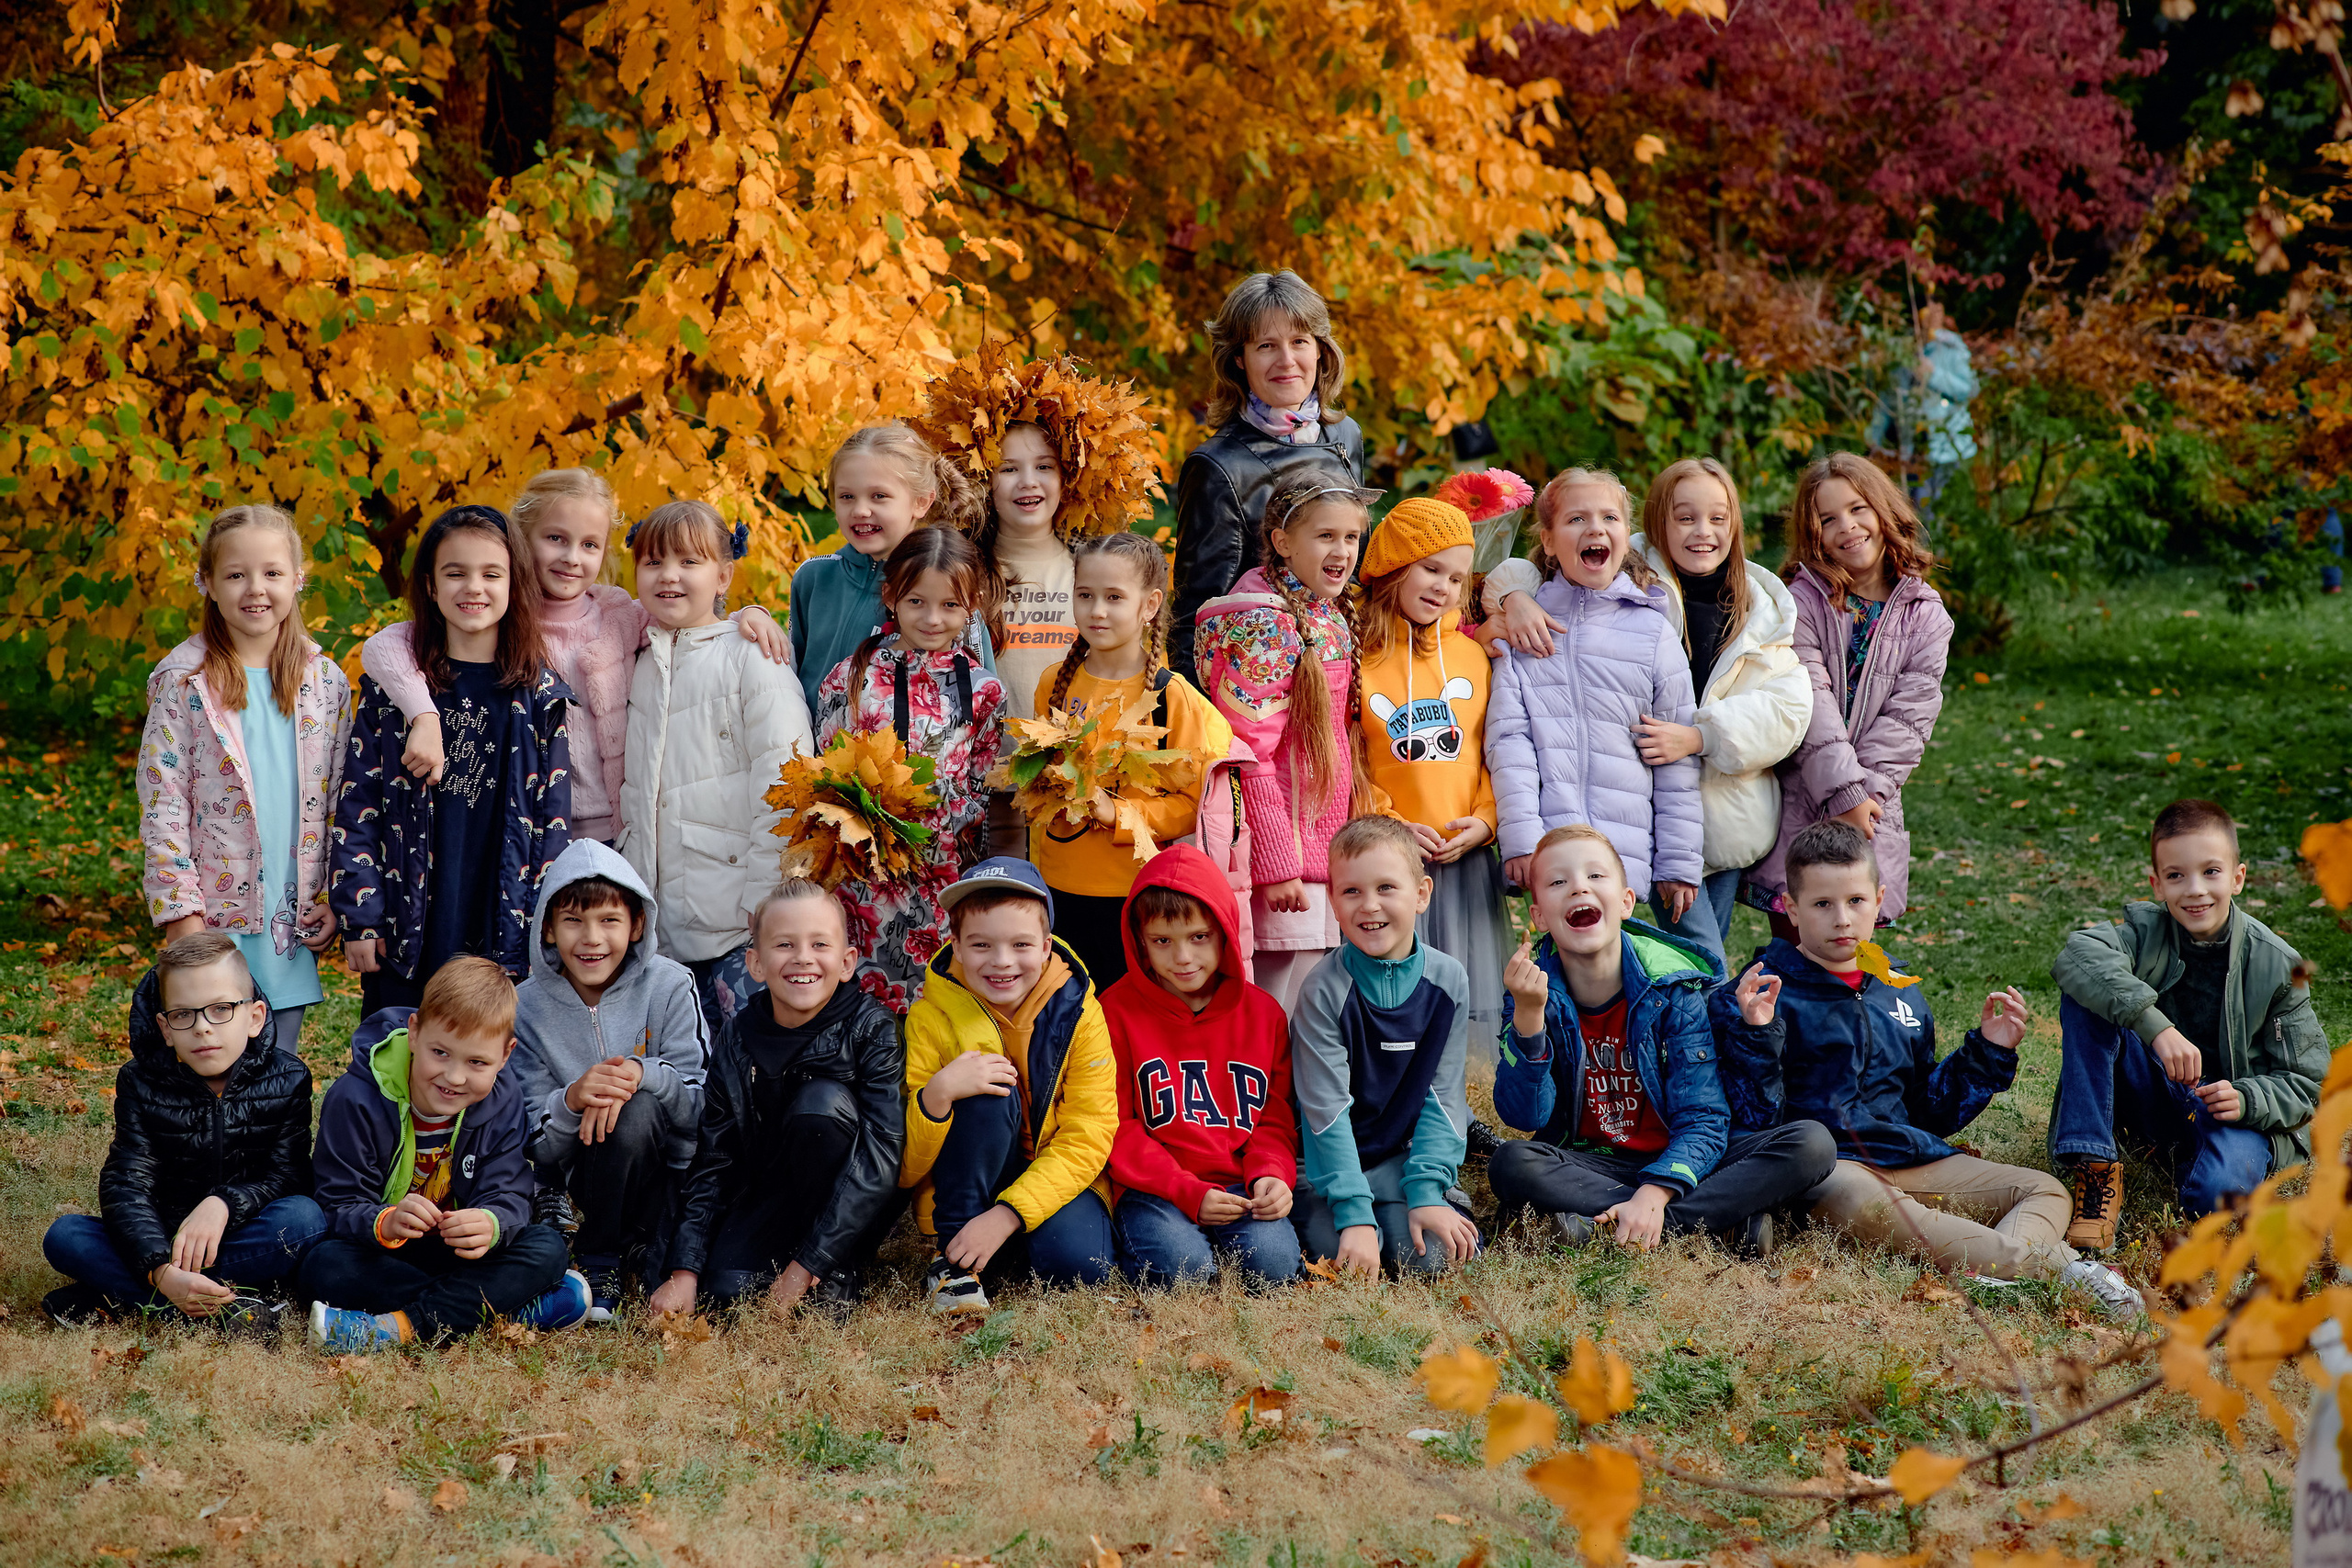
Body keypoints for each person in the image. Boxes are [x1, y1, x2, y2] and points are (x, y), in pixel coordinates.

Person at [1712, 821, 2143, 1320]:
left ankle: (1997, 1280)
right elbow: (1754, 1120)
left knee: (2043, 1189)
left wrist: (1985, 1053)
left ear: (1879, 899)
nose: (1842, 920)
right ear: (1790, 907)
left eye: (1855, 901)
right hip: (1829, 1172)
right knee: (1867, 1207)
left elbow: (1926, 1112)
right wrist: (1755, 1034)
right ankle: (2065, 1271)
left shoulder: (1899, 991)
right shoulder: (1758, 994)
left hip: (1907, 1157)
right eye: (1822, 904)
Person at [361, 468, 788, 850]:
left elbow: (685, 618)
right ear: (521, 541)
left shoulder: (618, 614)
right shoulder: (500, 616)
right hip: (530, 826)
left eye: (589, 545)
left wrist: (746, 615)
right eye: (555, 539)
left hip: (618, 828)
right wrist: (424, 715)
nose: (571, 558)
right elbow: (383, 647)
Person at [1486, 826, 1832, 1254]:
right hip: (1593, 1161)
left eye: (1596, 876)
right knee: (1512, 1163)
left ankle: (1615, 1222)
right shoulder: (1531, 992)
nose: (1578, 887)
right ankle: (1712, 1223)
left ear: (1627, 902)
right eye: (1559, 882)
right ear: (1539, 916)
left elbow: (1703, 1117)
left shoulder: (1673, 990)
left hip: (1682, 1154)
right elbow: (1523, 1114)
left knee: (1811, 1144)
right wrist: (1528, 1018)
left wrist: (1657, 1190)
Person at [2048, 799, 2327, 1251]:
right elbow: (2078, 955)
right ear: (2157, 884)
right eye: (2177, 875)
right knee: (2089, 994)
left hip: (2231, 1111)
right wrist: (2156, 1027)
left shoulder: (2277, 964)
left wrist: (2246, 1097)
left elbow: (2307, 1081)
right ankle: (2095, 1168)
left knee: (2212, 1198)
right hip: (2158, 1088)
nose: (2195, 890)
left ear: (2238, 877)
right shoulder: (2145, 932)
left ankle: (2198, 1158)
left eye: (2211, 872)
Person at [331, 505, 572, 1012]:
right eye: (455, 573)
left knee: (488, 1069)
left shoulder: (540, 695)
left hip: (502, 920)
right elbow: (358, 803)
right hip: (406, 924)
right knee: (399, 1061)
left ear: (515, 584)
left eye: (491, 574)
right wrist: (363, 913)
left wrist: (543, 920)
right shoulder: (395, 691)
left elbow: (554, 822)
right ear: (431, 584)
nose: (473, 588)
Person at [139, 503, 352, 1049]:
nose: (255, 588)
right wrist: (180, 912)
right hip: (214, 908)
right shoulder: (184, 681)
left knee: (277, 1058)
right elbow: (163, 803)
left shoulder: (324, 681)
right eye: (235, 574)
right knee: (210, 1052)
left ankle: (267, 1139)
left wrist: (335, 895)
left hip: (289, 910)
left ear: (298, 578)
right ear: (207, 582)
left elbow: (343, 799)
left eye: (272, 573)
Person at [1585, 458, 1809, 966]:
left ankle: (1686, 1040)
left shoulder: (1761, 609)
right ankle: (1720, 1039)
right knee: (1704, 957)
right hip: (1654, 809)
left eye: (1718, 518)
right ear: (1659, 521)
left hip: (1729, 814)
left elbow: (1788, 710)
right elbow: (1532, 566)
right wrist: (1512, 597)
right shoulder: (1621, 581)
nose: (1703, 532)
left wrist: (1700, 736)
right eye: (1685, 518)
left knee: (1699, 952)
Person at [649, 882, 908, 1318]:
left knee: (819, 1106)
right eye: (785, 944)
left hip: (848, 1204)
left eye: (819, 944)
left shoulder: (872, 1029)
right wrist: (684, 1270)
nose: (803, 957)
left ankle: (832, 1270)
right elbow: (715, 1159)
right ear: (755, 963)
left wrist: (806, 1267)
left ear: (846, 963)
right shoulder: (736, 1038)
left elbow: (881, 1157)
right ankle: (776, 1258)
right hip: (769, 1193)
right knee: (725, 1293)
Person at [301, 957, 587, 1349]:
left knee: (547, 1248)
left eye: (476, 1062)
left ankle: (398, 1328)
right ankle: (505, 1308)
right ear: (414, 1032)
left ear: (505, 1056)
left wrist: (491, 1223)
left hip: (462, 1253)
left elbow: (510, 1195)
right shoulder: (355, 1099)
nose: (454, 1077)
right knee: (324, 1266)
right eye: (440, 1053)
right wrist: (384, 1221)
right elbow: (336, 1204)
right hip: (387, 1253)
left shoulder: (503, 1100)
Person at [41, 934, 323, 1327]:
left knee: (305, 1218)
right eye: (183, 1015)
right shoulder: (140, 1082)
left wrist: (224, 1203)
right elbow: (127, 1182)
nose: (203, 1028)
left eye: (221, 1009)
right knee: (66, 1236)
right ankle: (217, 1307)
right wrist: (160, 1268)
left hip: (241, 1236)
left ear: (255, 1017)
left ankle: (137, 1298)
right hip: (163, 1237)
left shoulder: (288, 1077)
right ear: (165, 1027)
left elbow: (288, 1176)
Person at [1483, 468, 1704, 947]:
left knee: (1623, 978)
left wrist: (1680, 859)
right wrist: (1522, 841)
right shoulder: (1524, 626)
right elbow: (1509, 742)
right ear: (1548, 540)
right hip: (1551, 846)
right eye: (1576, 518)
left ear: (1627, 537)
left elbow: (1676, 754)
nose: (1595, 529)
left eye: (1609, 518)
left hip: (1624, 847)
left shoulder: (1652, 631)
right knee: (1558, 976)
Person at [617, 499, 815, 1029]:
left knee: (745, 1059)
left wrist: (767, 897)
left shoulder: (750, 655)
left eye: (690, 561)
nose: (669, 576)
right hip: (657, 921)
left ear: (724, 575)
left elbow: (786, 779)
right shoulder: (636, 658)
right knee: (679, 1070)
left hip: (735, 917)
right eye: (654, 562)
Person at [1742, 453, 1953, 939]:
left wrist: (1866, 798)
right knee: (1797, 941)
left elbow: (1909, 718)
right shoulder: (1801, 601)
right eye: (1828, 519)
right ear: (1812, 533)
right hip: (1803, 795)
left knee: (1851, 939)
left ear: (1883, 511)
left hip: (1872, 809)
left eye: (1858, 509)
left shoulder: (1926, 615)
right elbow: (1809, 698)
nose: (1848, 527)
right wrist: (1843, 793)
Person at [1353, 472, 1527, 1060]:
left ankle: (1467, 1100)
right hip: (1393, 855)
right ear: (1395, 565)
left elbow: (1491, 750)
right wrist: (1387, 823)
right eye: (1431, 570)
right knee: (1398, 983)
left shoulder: (1472, 656)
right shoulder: (1357, 658)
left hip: (1462, 851)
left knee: (1468, 981)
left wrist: (1487, 819)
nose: (1445, 587)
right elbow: (1351, 757)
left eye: (1457, 577)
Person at [899, 859, 1117, 1313]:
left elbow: (1089, 1131)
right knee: (982, 1081)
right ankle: (955, 1262)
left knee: (1078, 1267)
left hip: (1052, 1169)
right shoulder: (929, 1015)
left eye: (1020, 944)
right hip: (972, 1173)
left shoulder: (1079, 1012)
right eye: (981, 945)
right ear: (955, 946)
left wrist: (1008, 1215)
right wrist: (937, 1095)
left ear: (1045, 947)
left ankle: (1005, 1238)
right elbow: (906, 1166)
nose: (1001, 961)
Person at [1195, 475, 1375, 1013]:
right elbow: (1251, 755)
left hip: (1321, 850)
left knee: (1317, 1002)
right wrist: (1278, 866)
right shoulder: (1263, 624)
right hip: (1285, 863)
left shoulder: (1328, 612)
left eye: (1351, 537)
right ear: (1281, 542)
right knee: (1283, 1003)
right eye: (1325, 536)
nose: (1342, 551)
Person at [511, 840, 709, 1322]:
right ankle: (601, 1262)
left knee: (636, 1107)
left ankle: (641, 1245)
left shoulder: (670, 985)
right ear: (549, 930)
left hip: (666, 1169)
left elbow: (701, 1103)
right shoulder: (526, 1007)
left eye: (609, 921)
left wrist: (642, 1076)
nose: (591, 938)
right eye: (573, 921)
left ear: (637, 924)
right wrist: (575, 1098)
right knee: (614, 1111)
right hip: (579, 1172)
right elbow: (533, 1140)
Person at [815, 527, 1011, 1011]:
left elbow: (981, 781)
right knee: (862, 1003)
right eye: (917, 601)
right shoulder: (852, 677)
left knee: (940, 1004)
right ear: (891, 595)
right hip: (866, 874)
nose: (931, 618)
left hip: (944, 872)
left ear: (973, 605)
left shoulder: (984, 689)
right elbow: (828, 768)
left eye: (950, 605)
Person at [1029, 532, 1236, 990]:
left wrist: (1118, 814)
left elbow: (1194, 804)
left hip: (1135, 896)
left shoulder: (1171, 696)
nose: (1096, 610)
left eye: (1114, 597)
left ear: (1149, 605)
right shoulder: (1054, 685)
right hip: (1058, 890)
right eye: (1085, 595)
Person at [1100, 844, 1301, 1288]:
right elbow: (1118, 1126)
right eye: (1162, 942)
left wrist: (1272, 1175)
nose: (1183, 958)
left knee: (1274, 1268)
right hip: (1157, 1189)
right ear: (1139, 941)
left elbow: (1273, 1118)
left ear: (1225, 932)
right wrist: (1186, 1191)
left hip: (1239, 1187)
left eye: (1199, 937)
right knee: (1182, 1273)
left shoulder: (1263, 1015)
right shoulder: (1114, 1012)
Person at [1288, 817, 1480, 1277]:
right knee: (1343, 1258)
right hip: (1327, 1172)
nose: (1368, 906)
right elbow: (1326, 1111)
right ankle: (1355, 1212)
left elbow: (1443, 1095)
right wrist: (1354, 1215)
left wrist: (1427, 1191)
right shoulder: (1322, 990)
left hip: (1400, 1162)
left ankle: (1414, 1201)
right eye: (1351, 891)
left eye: (1386, 888)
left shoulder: (1448, 979)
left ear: (1421, 894)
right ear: (1332, 901)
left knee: (1431, 1261)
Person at [1169, 272, 1366, 680]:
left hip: (1344, 665)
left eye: (1299, 341)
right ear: (1239, 359)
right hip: (1259, 690)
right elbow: (1195, 619)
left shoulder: (1346, 435)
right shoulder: (1218, 466)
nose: (1286, 360)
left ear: (1320, 350)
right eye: (1266, 346)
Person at [790, 423, 994, 716]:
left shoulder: (949, 588)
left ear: (921, 501)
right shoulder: (813, 576)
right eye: (847, 496)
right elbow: (789, 670)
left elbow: (980, 697)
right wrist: (750, 614)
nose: (860, 510)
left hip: (910, 757)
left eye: (878, 496)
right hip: (812, 754)